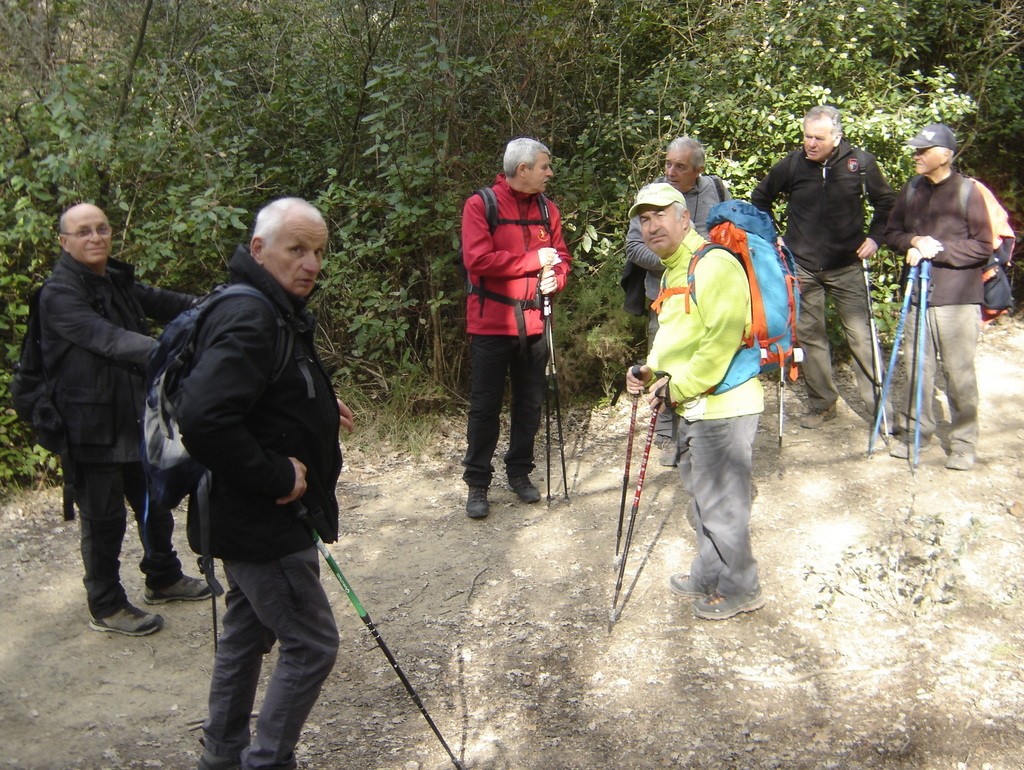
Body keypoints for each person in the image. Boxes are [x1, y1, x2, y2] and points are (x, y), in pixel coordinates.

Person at [175, 198, 354, 770]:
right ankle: (267, 760)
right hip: (266, 519)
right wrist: (278, 474)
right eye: (297, 249)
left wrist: (320, 403)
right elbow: (204, 418)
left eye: (319, 252)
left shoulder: (269, 305)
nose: (312, 264)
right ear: (259, 250)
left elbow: (260, 390)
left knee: (246, 635)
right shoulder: (253, 314)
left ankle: (223, 753)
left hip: (243, 515)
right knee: (312, 645)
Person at [38, 203, 211, 637]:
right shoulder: (58, 294)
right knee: (104, 518)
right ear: (65, 241)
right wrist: (171, 352)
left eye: (101, 229)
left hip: (134, 417)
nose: (95, 237)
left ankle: (164, 577)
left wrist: (218, 306)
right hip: (89, 426)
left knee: (156, 503)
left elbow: (166, 302)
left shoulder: (113, 280)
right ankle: (106, 604)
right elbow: (109, 340)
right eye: (83, 232)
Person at [624, 183, 765, 620]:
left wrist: (675, 389)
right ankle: (710, 572)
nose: (651, 227)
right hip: (695, 404)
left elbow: (718, 346)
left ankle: (742, 586)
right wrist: (649, 371)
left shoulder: (715, 264)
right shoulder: (673, 269)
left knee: (723, 505)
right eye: (643, 220)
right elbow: (676, 337)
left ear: (684, 216)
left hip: (725, 405)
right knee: (704, 497)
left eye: (660, 215)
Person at [752, 105, 895, 429]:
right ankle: (822, 404)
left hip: (847, 266)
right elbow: (760, 197)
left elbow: (886, 202)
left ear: (837, 138)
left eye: (819, 138)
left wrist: (875, 237)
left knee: (861, 336)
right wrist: (775, 239)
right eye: (807, 137)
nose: (811, 144)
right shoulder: (792, 164)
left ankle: (879, 410)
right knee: (810, 337)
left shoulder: (861, 164)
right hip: (802, 268)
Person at [460, 137, 572, 519]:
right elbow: (477, 260)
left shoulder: (547, 209)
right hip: (491, 324)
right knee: (485, 406)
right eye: (544, 166)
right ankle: (478, 483)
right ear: (522, 169)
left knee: (530, 404)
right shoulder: (481, 205)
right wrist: (532, 261)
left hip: (536, 322)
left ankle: (519, 473)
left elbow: (561, 257)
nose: (550, 173)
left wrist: (557, 278)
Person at [883, 123, 993, 470]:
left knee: (959, 374)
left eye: (923, 151)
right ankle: (917, 433)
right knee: (917, 370)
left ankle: (963, 443)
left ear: (945, 155)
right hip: (918, 295)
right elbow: (892, 233)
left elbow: (982, 246)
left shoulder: (967, 191)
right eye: (915, 150)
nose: (916, 155)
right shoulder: (911, 188)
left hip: (958, 297)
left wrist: (937, 249)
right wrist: (914, 242)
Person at [625, 136, 731, 465]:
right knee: (665, 363)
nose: (671, 171)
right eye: (668, 163)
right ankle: (667, 435)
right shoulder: (651, 196)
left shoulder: (716, 190)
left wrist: (702, 264)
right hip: (664, 297)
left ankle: (698, 431)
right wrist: (676, 262)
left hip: (709, 295)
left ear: (698, 170)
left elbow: (729, 235)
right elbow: (634, 247)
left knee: (703, 360)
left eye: (680, 166)